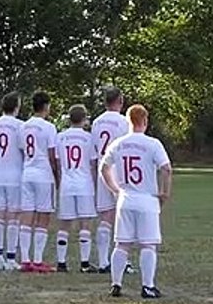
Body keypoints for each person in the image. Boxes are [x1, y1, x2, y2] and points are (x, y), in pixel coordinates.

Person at [100, 104, 172, 299]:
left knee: (121, 244)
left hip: (126, 198)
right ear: (145, 121)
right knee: (148, 245)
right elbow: (166, 169)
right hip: (147, 199)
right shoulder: (153, 144)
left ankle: (116, 284)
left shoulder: (118, 143)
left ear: (128, 121)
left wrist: (115, 189)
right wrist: (164, 192)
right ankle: (148, 286)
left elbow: (104, 168)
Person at [90, 86, 131, 274]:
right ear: (120, 101)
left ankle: (103, 261)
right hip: (119, 172)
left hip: (101, 170)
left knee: (105, 216)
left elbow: (93, 150)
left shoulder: (97, 122)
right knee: (123, 217)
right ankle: (124, 260)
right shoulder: (124, 121)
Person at [19, 92, 60, 273]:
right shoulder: (49, 127)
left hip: (27, 173)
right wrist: (57, 176)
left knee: (27, 216)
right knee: (43, 217)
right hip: (43, 175)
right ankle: (37, 259)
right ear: (46, 106)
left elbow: (22, 150)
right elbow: (52, 155)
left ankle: (25, 259)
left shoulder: (24, 126)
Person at [56, 104, 100, 273]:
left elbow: (59, 163)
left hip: (67, 183)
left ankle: (61, 262)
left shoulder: (60, 137)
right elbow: (93, 163)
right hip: (84, 183)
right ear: (84, 119)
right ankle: (84, 263)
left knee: (64, 224)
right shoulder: (88, 138)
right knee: (85, 223)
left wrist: (60, 182)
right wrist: (94, 184)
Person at [0, 93, 26, 271]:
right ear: (16, 106)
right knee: (14, 217)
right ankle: (10, 257)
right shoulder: (20, 126)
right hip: (15, 175)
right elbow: (24, 150)